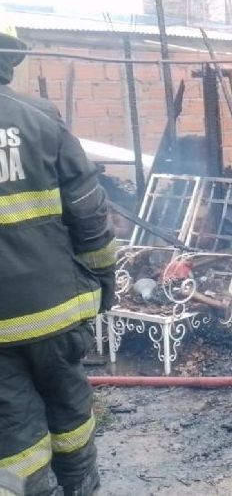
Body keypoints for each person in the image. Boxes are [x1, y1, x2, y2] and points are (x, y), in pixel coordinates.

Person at [0, 30, 116, 495]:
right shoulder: (41, 119)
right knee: (71, 412)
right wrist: (103, 282)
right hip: (58, 311)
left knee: (14, 435)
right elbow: (89, 213)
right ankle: (81, 487)